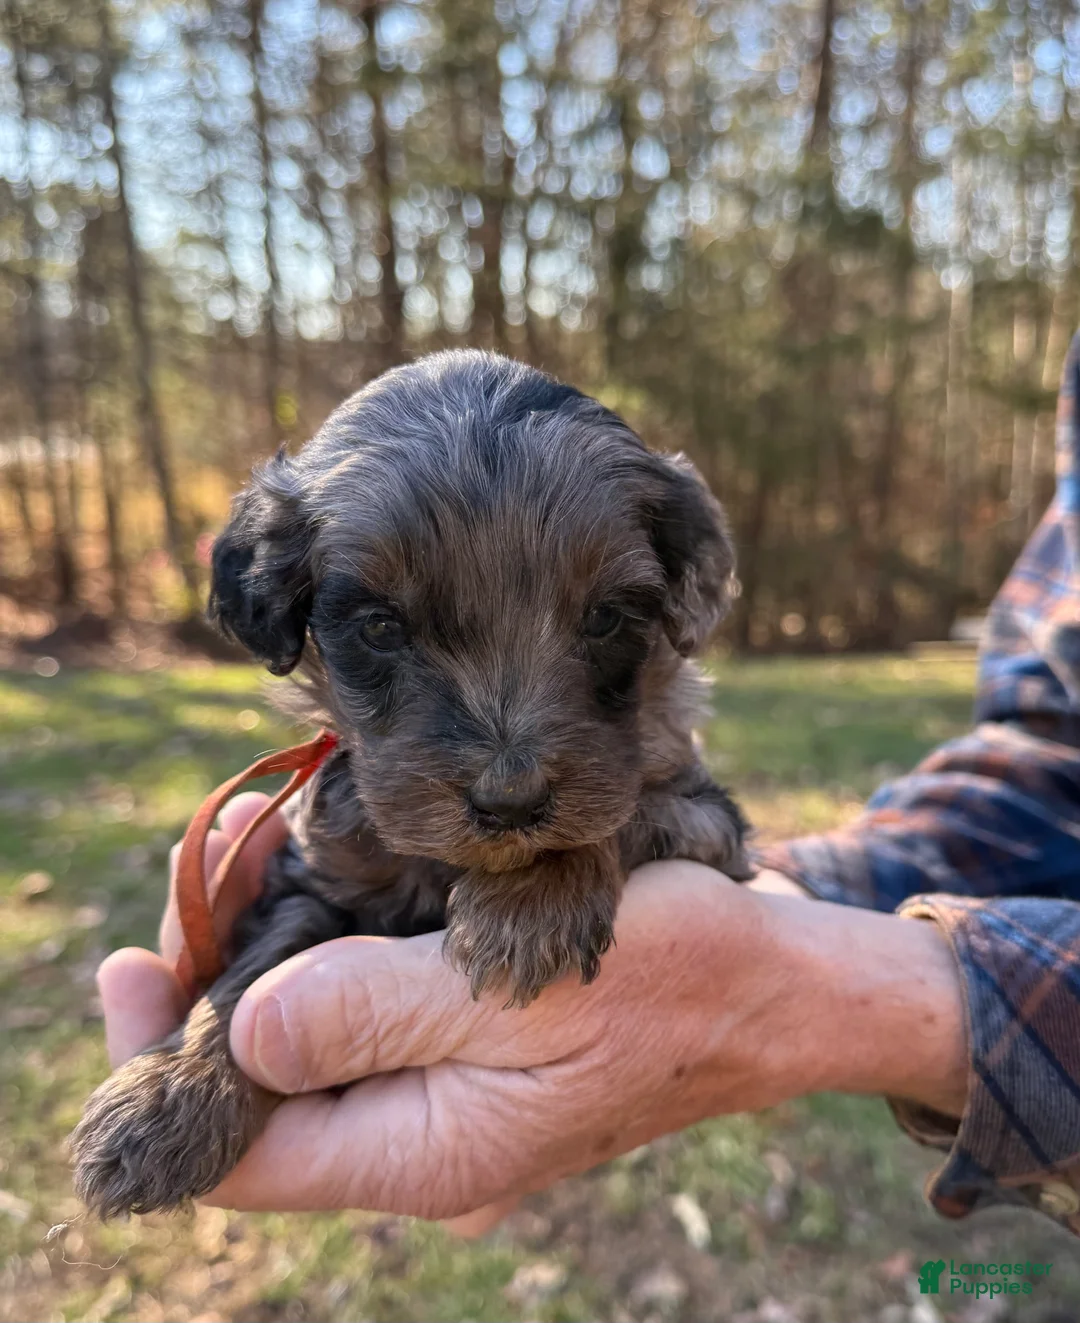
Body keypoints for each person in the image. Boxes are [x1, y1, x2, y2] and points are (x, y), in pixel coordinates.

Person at [97, 336, 1080, 1238]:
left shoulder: (649, 764)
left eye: (603, 623)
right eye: (383, 631)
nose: (511, 769)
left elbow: (705, 831)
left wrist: (592, 865)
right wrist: (213, 1060)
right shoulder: (349, 807)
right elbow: (1049, 758)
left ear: (674, 595)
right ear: (291, 607)